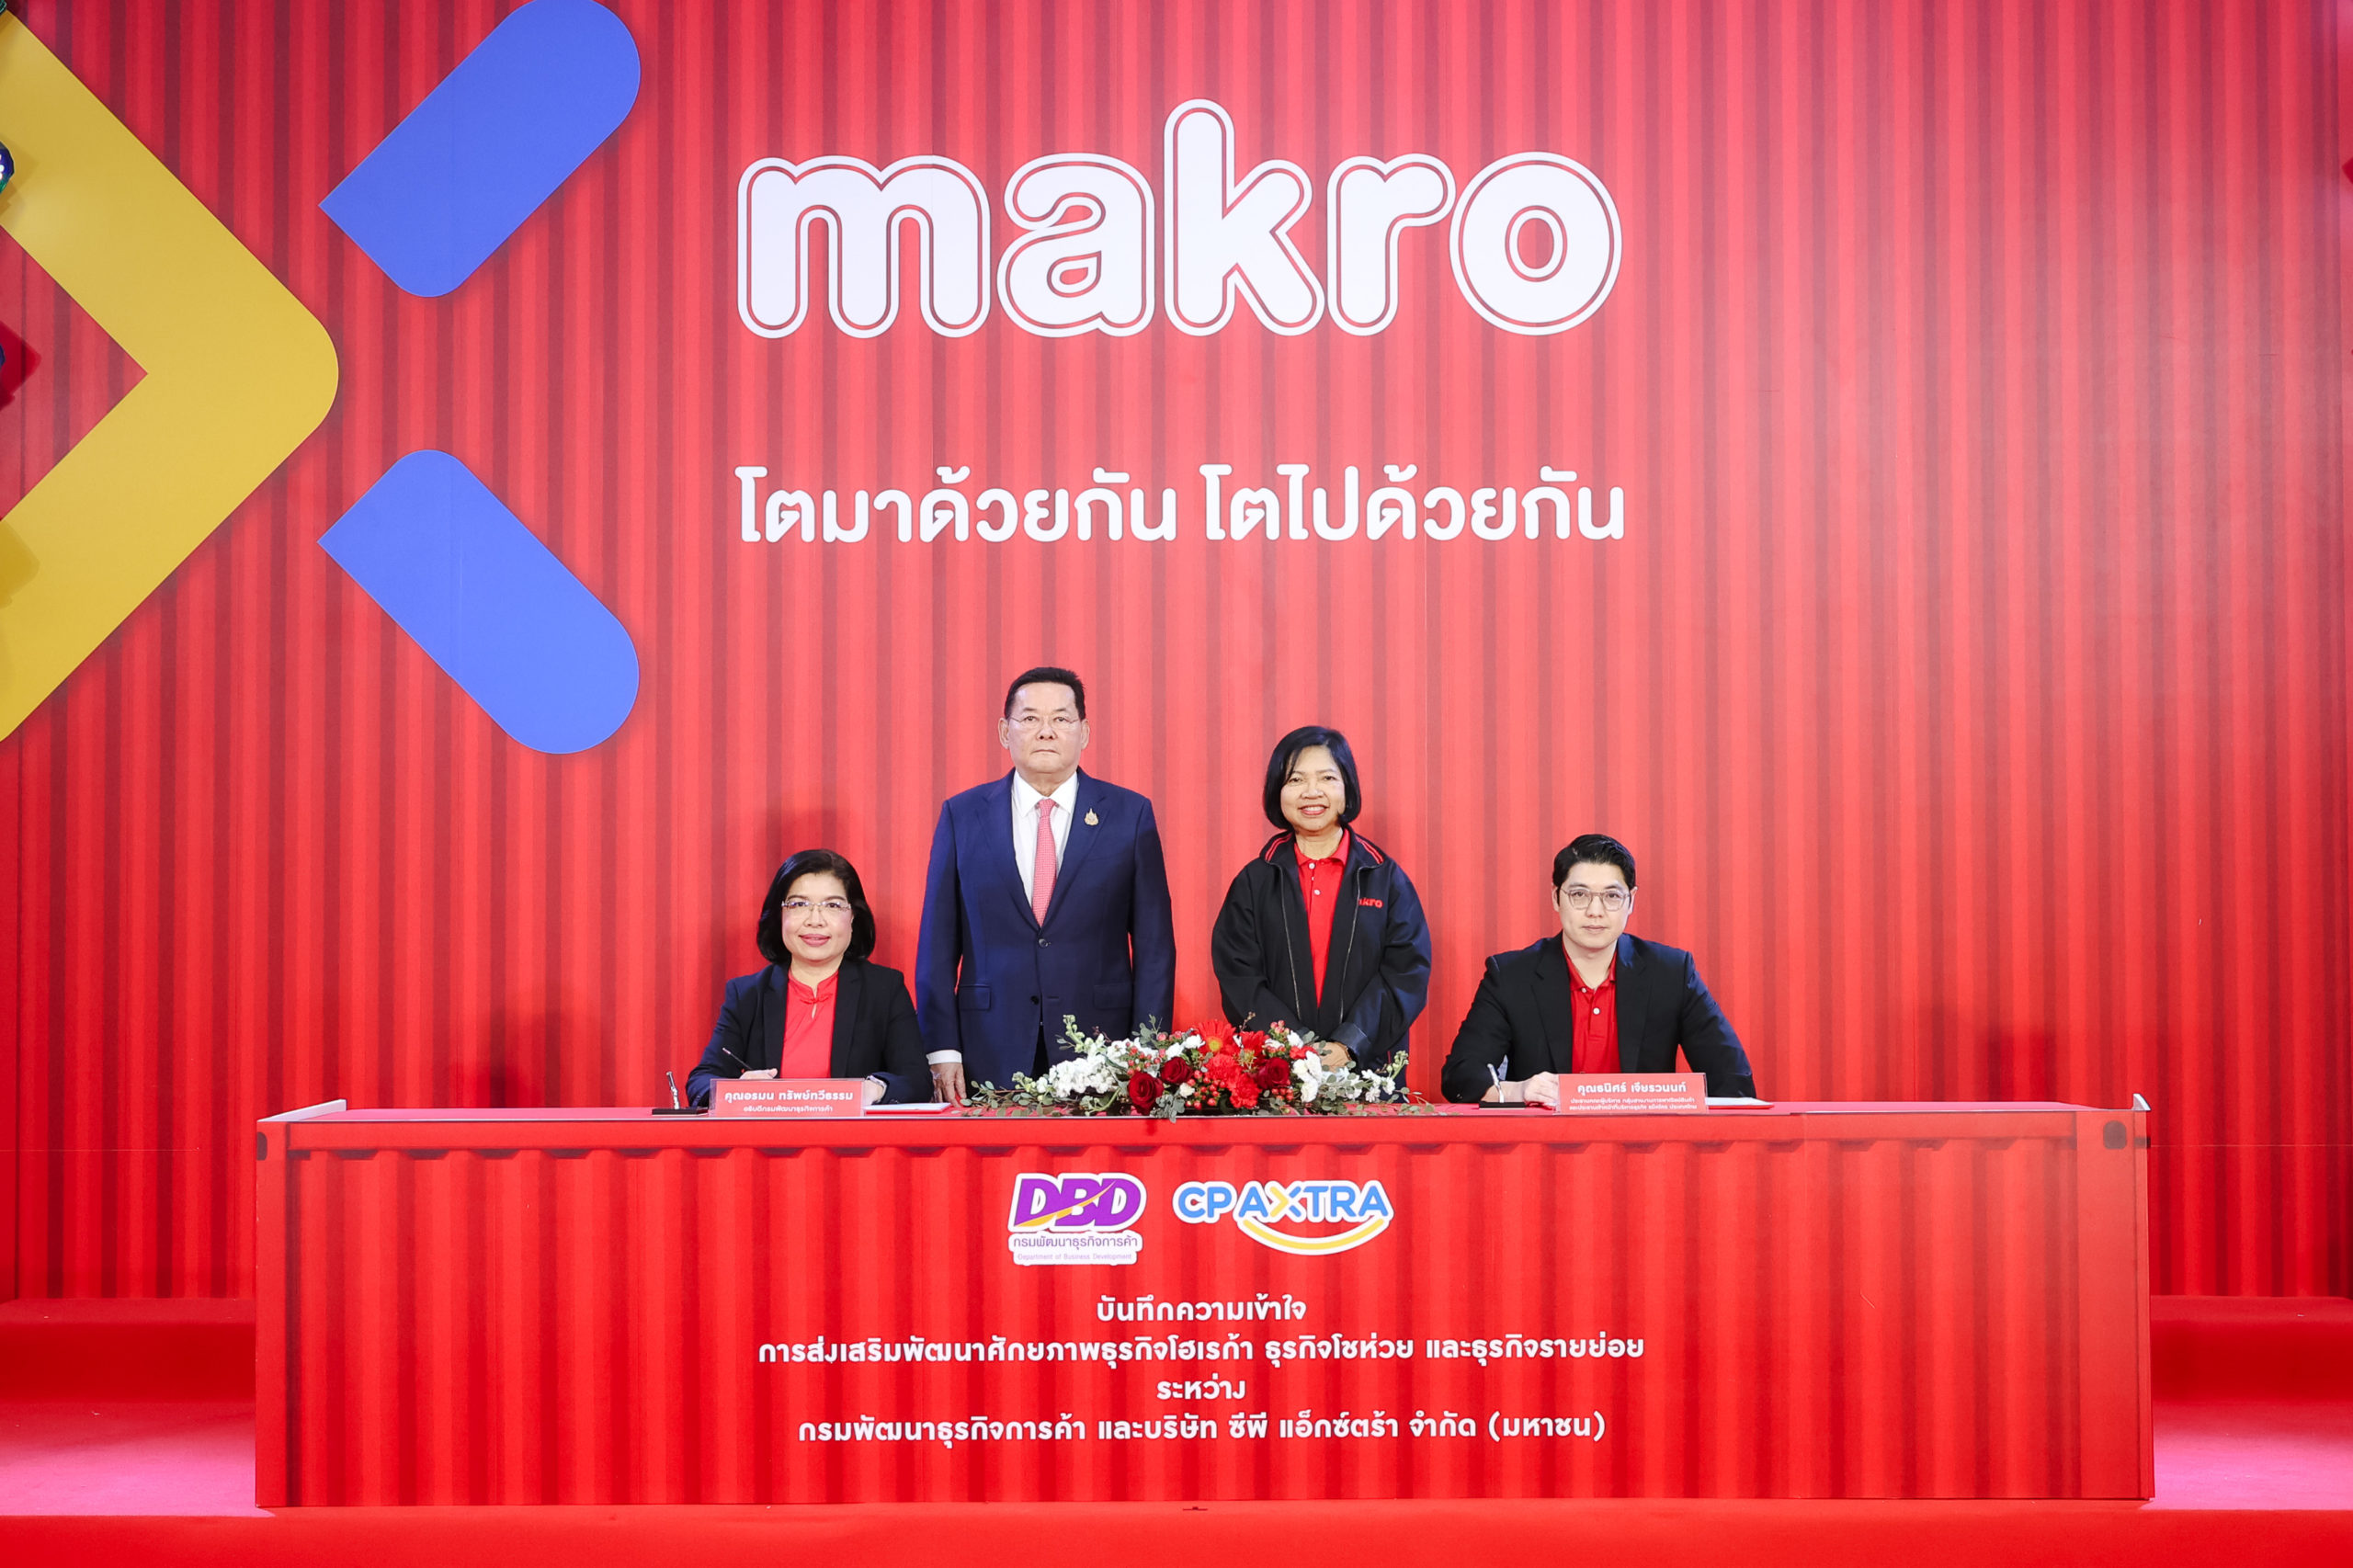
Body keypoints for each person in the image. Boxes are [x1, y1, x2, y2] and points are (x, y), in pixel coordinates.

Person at [915, 666, 1176, 1098]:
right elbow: (937, 944)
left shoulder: (1129, 815)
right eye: (1030, 718)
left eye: (1061, 719)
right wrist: (942, 1047)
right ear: (1005, 731)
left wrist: (1146, 1052)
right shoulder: (963, 815)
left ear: (1084, 732)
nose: (1046, 731)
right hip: (987, 1045)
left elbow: (1155, 947)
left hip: (1103, 1048)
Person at [1440, 833, 1758, 1104]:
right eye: (1579, 895)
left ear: (1631, 901)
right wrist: (1517, 1090)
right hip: (1542, 1145)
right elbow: (1460, 1076)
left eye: (1611, 896)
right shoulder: (1512, 976)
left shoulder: (1671, 973)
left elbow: (1733, 1078)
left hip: (1645, 1147)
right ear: (1556, 897)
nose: (1595, 911)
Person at [1210, 726, 1431, 1071]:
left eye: (1327, 778)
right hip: (1279, 1073)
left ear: (1347, 789)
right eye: (1296, 780)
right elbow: (1239, 977)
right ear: (1277, 792)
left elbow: (1405, 973)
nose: (1311, 792)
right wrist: (1297, 1046)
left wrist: (1349, 1044)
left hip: (1367, 1071)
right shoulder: (1254, 881)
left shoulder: (1384, 878)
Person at [685, 848, 930, 1107]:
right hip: (769, 1132)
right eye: (799, 905)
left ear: (853, 917)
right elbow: (701, 1082)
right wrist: (737, 1089)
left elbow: (916, 1080)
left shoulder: (884, 990)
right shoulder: (747, 995)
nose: (815, 920)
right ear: (780, 914)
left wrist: (875, 1088)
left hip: (852, 1133)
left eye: (832, 906)